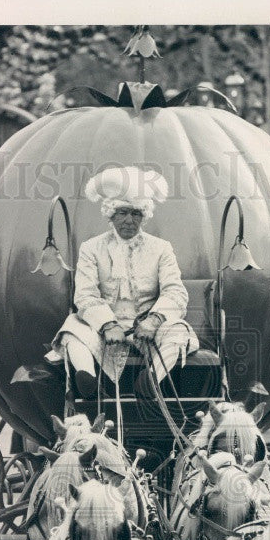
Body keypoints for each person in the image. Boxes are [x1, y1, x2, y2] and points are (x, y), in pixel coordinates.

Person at [45, 166, 198, 399]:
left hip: (146, 329)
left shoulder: (161, 248)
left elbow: (175, 292)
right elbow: (85, 295)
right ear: (110, 214)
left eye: (136, 213)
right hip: (103, 328)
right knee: (71, 330)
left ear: (144, 215)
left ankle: (151, 382)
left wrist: (154, 320)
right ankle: (87, 378)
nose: (129, 220)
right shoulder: (91, 248)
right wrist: (107, 325)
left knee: (178, 332)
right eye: (122, 212)